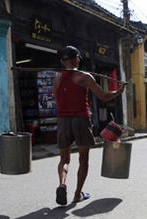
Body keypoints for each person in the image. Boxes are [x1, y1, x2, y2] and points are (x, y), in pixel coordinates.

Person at [53, 46, 125, 205]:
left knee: (64, 159)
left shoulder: (57, 79)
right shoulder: (84, 77)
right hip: (81, 119)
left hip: (63, 120)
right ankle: (77, 194)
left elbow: (57, 100)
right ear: (75, 59)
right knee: (83, 159)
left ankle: (62, 184)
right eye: (78, 58)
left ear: (62, 61)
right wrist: (118, 92)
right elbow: (103, 96)